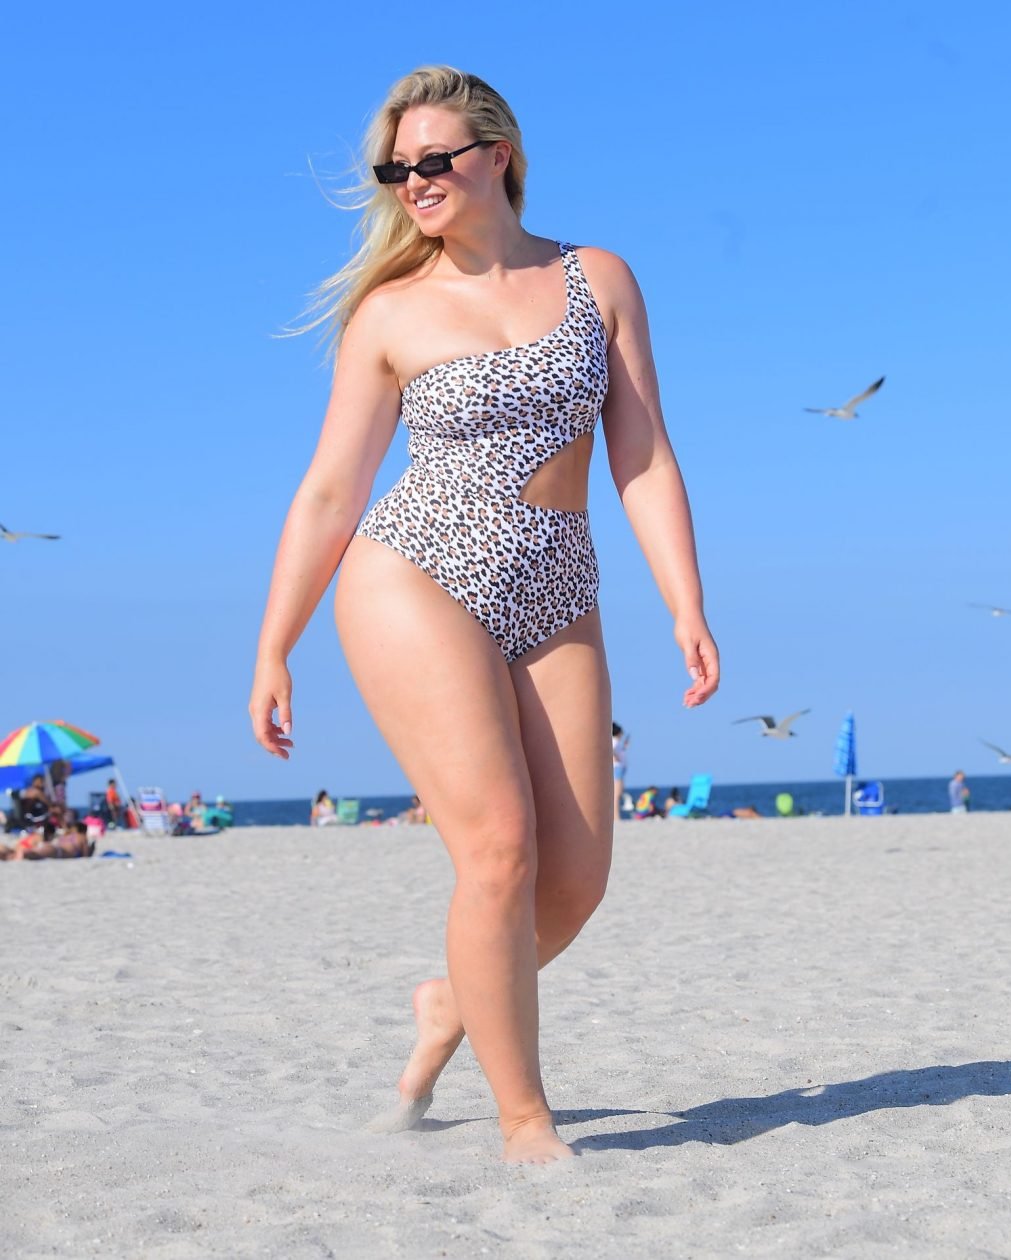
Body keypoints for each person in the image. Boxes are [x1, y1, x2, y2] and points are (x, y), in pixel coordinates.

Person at [249, 66, 719, 1164]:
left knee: (576, 882)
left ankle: (448, 1007)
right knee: (499, 850)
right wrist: (275, 645)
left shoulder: (595, 276)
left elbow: (643, 454)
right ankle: (524, 1122)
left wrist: (685, 602)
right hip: (417, 571)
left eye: (433, 160)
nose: (412, 181)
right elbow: (330, 492)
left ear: (496, 155)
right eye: (394, 169)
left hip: (558, 582)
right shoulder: (389, 312)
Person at [611, 722, 629, 820]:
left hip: (620, 769)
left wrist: (624, 747)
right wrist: (616, 758)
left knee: (619, 792)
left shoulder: (616, 742)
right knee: (616, 794)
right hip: (618, 768)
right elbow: (612, 750)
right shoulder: (614, 741)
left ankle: (616, 815)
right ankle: (616, 816)